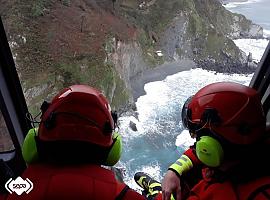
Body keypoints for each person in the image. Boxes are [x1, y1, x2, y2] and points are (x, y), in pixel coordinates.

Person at [6, 84, 146, 200]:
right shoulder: (125, 196)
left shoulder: (15, 193)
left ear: (36, 140)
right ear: (111, 150)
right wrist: (157, 190)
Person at [162, 82, 270, 200]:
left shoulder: (216, 193)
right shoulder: (253, 150)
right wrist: (175, 170)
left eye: (196, 134)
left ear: (211, 145)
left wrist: (162, 195)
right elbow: (196, 151)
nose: (196, 141)